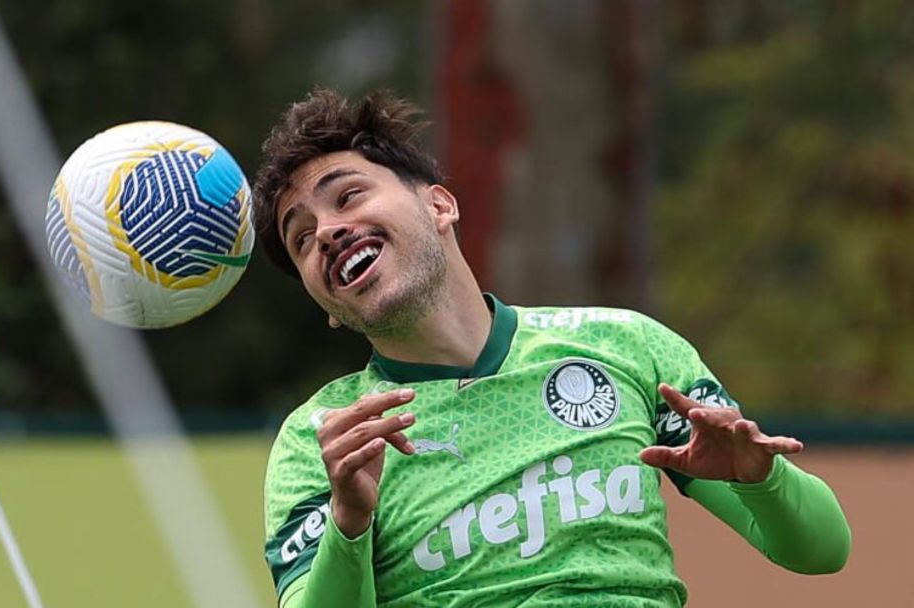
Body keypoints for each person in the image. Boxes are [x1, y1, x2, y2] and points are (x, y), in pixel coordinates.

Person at [256, 89, 851, 608]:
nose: (327, 233)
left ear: (440, 205)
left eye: (348, 196)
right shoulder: (323, 438)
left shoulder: (625, 345)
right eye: (302, 238)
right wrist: (349, 524)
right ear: (326, 306)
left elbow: (822, 550)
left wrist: (760, 480)